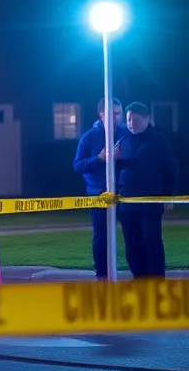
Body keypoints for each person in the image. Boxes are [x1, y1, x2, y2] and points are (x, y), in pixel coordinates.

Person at [114, 102, 179, 279]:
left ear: (146, 119)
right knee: (132, 243)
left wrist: (168, 196)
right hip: (127, 204)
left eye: (135, 120)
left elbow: (170, 168)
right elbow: (115, 169)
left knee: (151, 240)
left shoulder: (158, 140)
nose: (131, 124)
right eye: (128, 120)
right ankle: (139, 277)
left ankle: (157, 278)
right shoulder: (122, 141)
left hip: (151, 203)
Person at [72, 97, 129, 280]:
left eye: (119, 113)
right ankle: (102, 275)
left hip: (124, 193)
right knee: (101, 237)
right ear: (101, 114)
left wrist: (122, 160)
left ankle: (139, 273)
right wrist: (99, 158)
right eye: (113, 114)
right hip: (98, 193)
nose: (117, 117)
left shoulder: (125, 134)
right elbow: (78, 165)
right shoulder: (89, 137)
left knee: (132, 234)